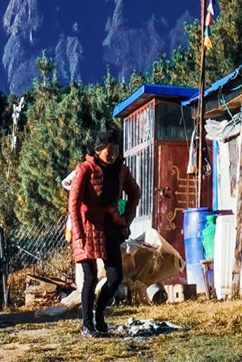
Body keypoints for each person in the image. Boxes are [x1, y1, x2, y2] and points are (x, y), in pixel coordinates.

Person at [66, 129, 141, 337]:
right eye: (109, 151)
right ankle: (87, 324)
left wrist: (126, 219)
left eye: (116, 150)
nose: (113, 155)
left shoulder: (121, 171)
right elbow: (73, 203)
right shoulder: (85, 170)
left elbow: (135, 193)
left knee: (116, 277)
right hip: (86, 225)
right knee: (89, 278)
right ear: (98, 151)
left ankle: (99, 314)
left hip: (110, 224)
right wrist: (78, 232)